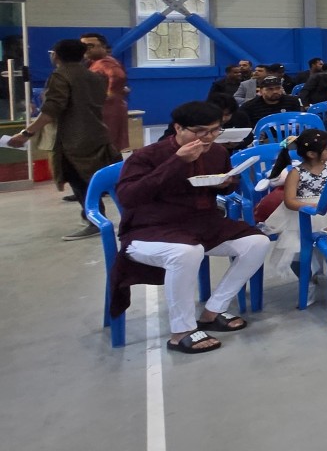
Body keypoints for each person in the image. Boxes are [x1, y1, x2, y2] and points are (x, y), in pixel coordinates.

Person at [114, 101, 270, 354]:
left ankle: (214, 310)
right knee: (188, 252)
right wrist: (177, 161)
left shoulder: (217, 152)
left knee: (257, 243)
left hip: (202, 223)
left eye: (215, 130)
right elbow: (128, 197)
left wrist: (226, 184)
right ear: (178, 128)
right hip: (150, 227)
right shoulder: (147, 156)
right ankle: (181, 331)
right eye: (200, 131)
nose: (208, 137)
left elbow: (225, 184)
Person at [7, 38, 122, 238]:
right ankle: (96, 216)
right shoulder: (95, 76)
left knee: (80, 181)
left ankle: (95, 220)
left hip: (72, 139)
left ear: (56, 55)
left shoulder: (60, 76)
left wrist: (26, 133)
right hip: (97, 133)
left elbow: (51, 110)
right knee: (93, 180)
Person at [259, 128, 327, 309]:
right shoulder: (296, 173)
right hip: (302, 216)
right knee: (296, 252)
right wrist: (313, 207)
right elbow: (289, 201)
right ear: (312, 153)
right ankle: (308, 282)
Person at [80, 32, 131, 153]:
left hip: (106, 112)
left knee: (106, 149)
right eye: (83, 46)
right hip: (103, 111)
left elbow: (118, 76)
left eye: (90, 46)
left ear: (103, 47)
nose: (86, 49)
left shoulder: (104, 62)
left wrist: (110, 94)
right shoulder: (93, 63)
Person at [234, 75, 304, 130]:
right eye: (270, 89)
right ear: (261, 91)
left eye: (278, 88)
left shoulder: (292, 101)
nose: (275, 91)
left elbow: (300, 122)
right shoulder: (249, 107)